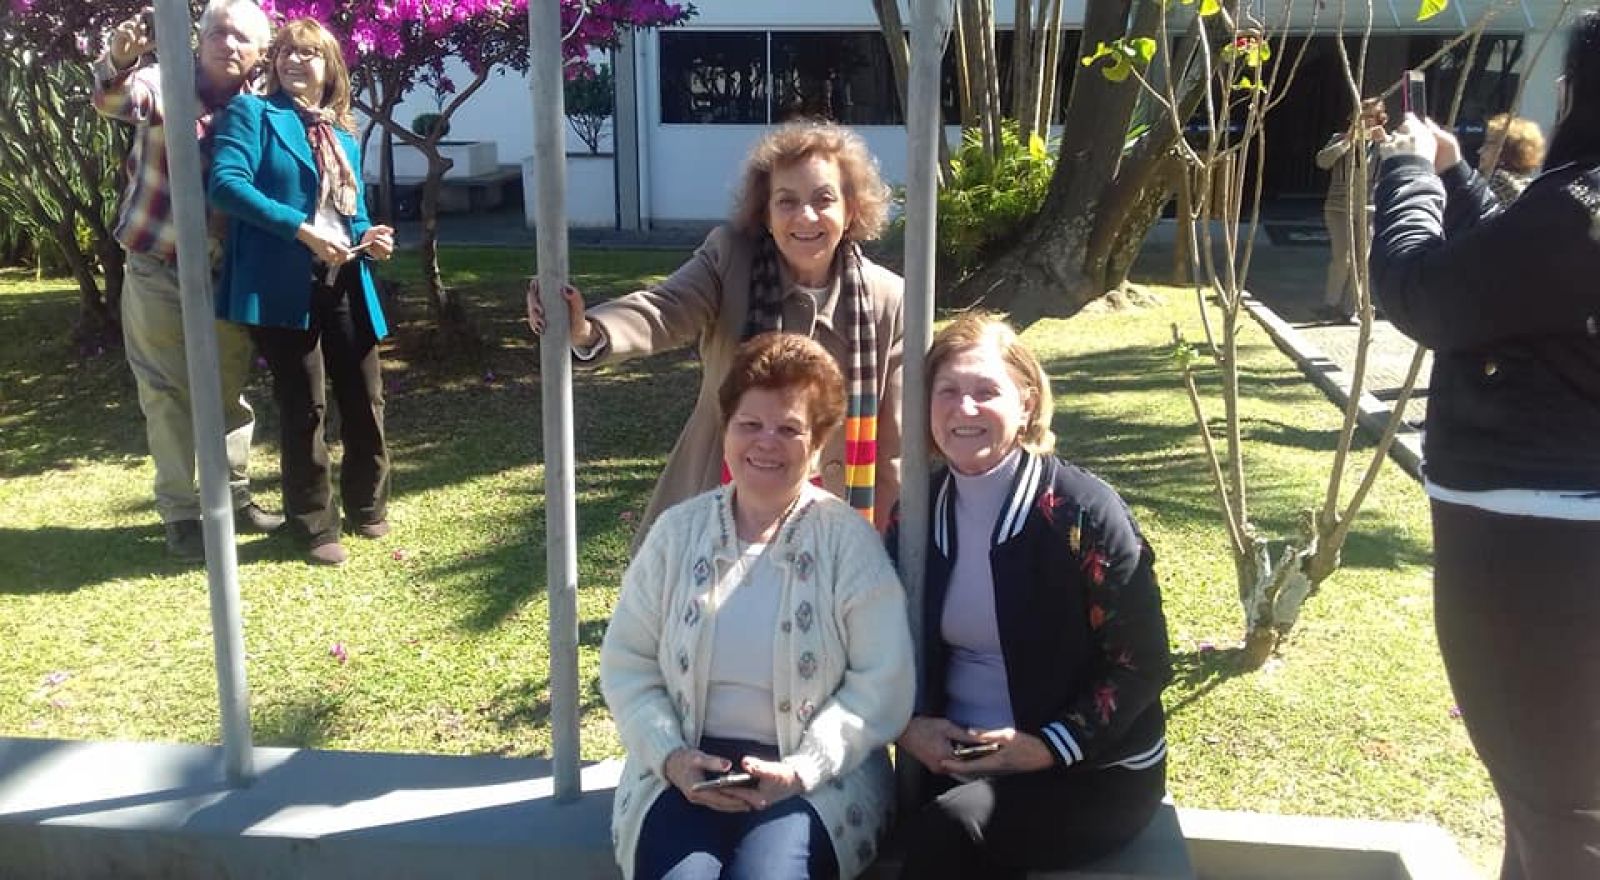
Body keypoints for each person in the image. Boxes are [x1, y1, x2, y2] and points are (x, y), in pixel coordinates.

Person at [1369, 11, 1600, 878]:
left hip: (1537, 551)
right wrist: (1458, 175)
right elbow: (1519, 273)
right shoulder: (1576, 214)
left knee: (1563, 811)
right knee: (1549, 804)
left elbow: (1425, 291)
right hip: (1558, 539)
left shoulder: (1584, 206)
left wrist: (1404, 174)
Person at [599, 332, 914, 880]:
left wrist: (802, 768)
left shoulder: (850, 544)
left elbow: (880, 684)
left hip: (815, 777)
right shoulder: (676, 534)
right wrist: (671, 757)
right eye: (749, 424)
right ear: (726, 431)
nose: (766, 442)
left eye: (789, 429)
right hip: (685, 767)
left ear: (818, 445)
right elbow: (629, 665)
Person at [527, 123, 904, 549]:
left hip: (829, 525)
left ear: (851, 210)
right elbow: (664, 309)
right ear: (765, 213)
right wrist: (587, 330)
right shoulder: (730, 259)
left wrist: (874, 550)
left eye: (823, 199)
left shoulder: (889, 300)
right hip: (718, 505)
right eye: (787, 201)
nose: (805, 216)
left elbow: (893, 449)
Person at [890, 314, 1173, 878]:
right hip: (954, 760)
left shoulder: (1083, 515)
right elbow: (874, 644)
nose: (964, 408)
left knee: (948, 834)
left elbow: (1143, 664)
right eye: (947, 391)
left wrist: (1044, 746)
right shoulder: (918, 512)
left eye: (986, 391)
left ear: (1026, 403)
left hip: (1086, 768)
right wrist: (907, 727)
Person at [92, 0, 284, 560]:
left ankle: (234, 496)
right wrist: (117, 61)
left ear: (259, 52)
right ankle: (179, 512)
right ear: (200, 39)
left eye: (242, 37)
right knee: (165, 391)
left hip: (225, 270)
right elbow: (117, 99)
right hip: (157, 263)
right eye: (218, 32)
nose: (229, 44)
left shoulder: (259, 105)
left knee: (228, 390)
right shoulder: (165, 82)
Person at [209, 17, 395, 567]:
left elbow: (352, 213)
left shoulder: (342, 134)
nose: (294, 60)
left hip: (347, 277)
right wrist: (302, 230)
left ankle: (367, 505)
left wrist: (371, 237)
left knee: (365, 397)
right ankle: (314, 524)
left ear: (330, 67)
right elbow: (226, 184)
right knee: (304, 405)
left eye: (309, 53)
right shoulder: (251, 114)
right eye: (287, 52)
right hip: (281, 283)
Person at [1315, 97, 1389, 324]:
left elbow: (1400, 164)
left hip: (1368, 208)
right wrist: (1348, 141)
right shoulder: (1339, 138)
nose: (1367, 121)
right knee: (1343, 257)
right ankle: (1331, 305)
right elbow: (1322, 161)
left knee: (1362, 260)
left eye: (1372, 117)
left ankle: (1352, 309)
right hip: (1339, 208)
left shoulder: (1383, 144)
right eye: (1362, 116)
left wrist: (1386, 142)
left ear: (1380, 120)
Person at [1478, 113, 1545, 205]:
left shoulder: (1500, 181)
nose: (1480, 151)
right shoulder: (1530, 186)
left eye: (1489, 144)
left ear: (1507, 150)